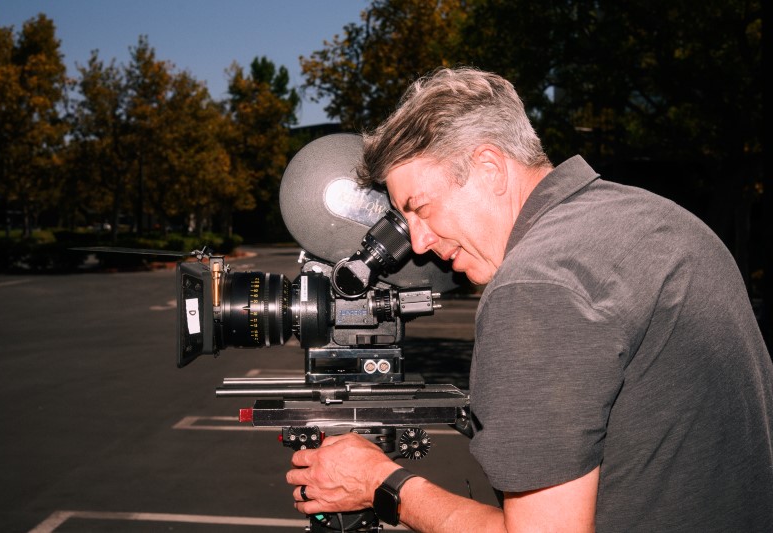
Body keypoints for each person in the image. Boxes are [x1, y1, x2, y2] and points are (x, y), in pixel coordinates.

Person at [285, 67, 773, 532]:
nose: (416, 243)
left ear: (490, 167)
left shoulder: (537, 286)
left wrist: (380, 484)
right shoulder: (655, 218)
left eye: (422, 209)